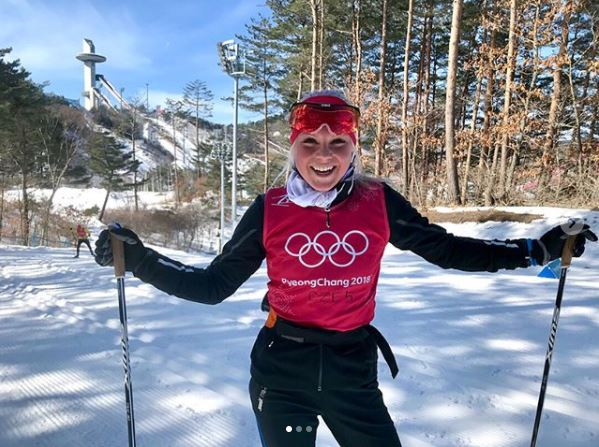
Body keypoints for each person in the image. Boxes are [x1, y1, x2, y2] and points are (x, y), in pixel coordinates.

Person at [93, 90, 597, 447]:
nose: (324, 155)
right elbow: (212, 286)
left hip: (351, 367)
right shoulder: (269, 207)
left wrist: (538, 250)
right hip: (281, 368)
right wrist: (139, 259)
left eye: (338, 143)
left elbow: (447, 250)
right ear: (292, 148)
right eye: (310, 142)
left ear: (354, 148)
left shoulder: (377, 200)